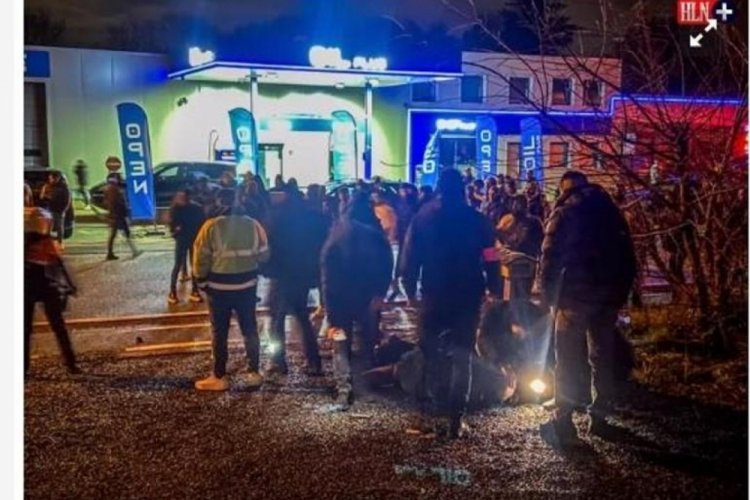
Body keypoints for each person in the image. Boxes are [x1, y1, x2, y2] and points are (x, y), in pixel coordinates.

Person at [400, 168, 501, 438]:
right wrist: (494, 287)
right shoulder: (477, 220)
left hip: (434, 293)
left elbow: (410, 258)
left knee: (430, 354)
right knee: (463, 355)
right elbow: (491, 257)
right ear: (463, 189)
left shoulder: (423, 219)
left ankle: (433, 412)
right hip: (467, 293)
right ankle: (456, 418)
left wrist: (409, 289)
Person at [539, 170, 636, 446]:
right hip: (606, 297)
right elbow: (627, 255)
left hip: (573, 297)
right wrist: (620, 293)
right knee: (602, 356)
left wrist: (547, 296)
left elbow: (549, 256)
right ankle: (600, 416)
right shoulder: (610, 211)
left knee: (567, 358)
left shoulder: (564, 212)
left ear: (565, 188)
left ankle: (564, 421)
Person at [192, 188, 270, 391]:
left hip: (218, 288)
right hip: (247, 286)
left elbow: (200, 258)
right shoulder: (253, 224)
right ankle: (253, 372)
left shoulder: (210, 226)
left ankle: (219, 376)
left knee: (219, 332)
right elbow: (264, 255)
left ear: (218, 203)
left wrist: (201, 282)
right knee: (249, 329)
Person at [321, 192, 393, 409]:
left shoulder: (338, 231)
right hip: (366, 296)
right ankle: (367, 381)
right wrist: (380, 292)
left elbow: (327, 267)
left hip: (340, 297)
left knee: (341, 341)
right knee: (367, 339)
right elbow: (386, 263)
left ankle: (344, 388)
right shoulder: (375, 234)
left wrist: (328, 304)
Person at [24, 188, 79, 375]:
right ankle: (71, 363)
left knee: (25, 328)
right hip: (46, 283)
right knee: (58, 326)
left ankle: (24, 367)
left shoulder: (26, 235)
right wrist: (69, 284)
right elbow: (57, 262)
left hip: (28, 284)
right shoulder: (43, 234)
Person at [496, 195, 544, 300]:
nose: (517, 206)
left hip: (528, 259)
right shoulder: (507, 219)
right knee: (510, 292)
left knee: (523, 291)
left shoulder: (534, 222)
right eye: (515, 203)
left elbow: (541, 241)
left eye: (520, 203)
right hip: (511, 260)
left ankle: (520, 305)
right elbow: (497, 234)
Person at [167, 189, 205, 304]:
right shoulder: (196, 208)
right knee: (191, 266)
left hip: (183, 239)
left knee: (180, 265)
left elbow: (172, 227)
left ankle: (174, 292)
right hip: (192, 239)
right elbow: (202, 224)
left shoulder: (175, 209)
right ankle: (193, 291)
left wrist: (176, 232)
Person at [103, 174, 141, 260]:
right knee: (126, 232)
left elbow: (107, 203)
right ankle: (134, 251)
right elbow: (117, 203)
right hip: (118, 215)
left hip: (115, 215)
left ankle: (110, 253)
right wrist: (123, 213)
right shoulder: (114, 189)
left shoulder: (108, 188)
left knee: (114, 234)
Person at [40, 171, 71, 245]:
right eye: (49, 178)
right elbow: (43, 197)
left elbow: (65, 199)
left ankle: (59, 242)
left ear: (56, 178)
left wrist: (63, 209)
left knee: (58, 227)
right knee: (52, 226)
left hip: (58, 210)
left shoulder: (62, 188)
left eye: (51, 178)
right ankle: (53, 242)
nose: (50, 180)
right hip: (52, 209)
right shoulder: (52, 186)